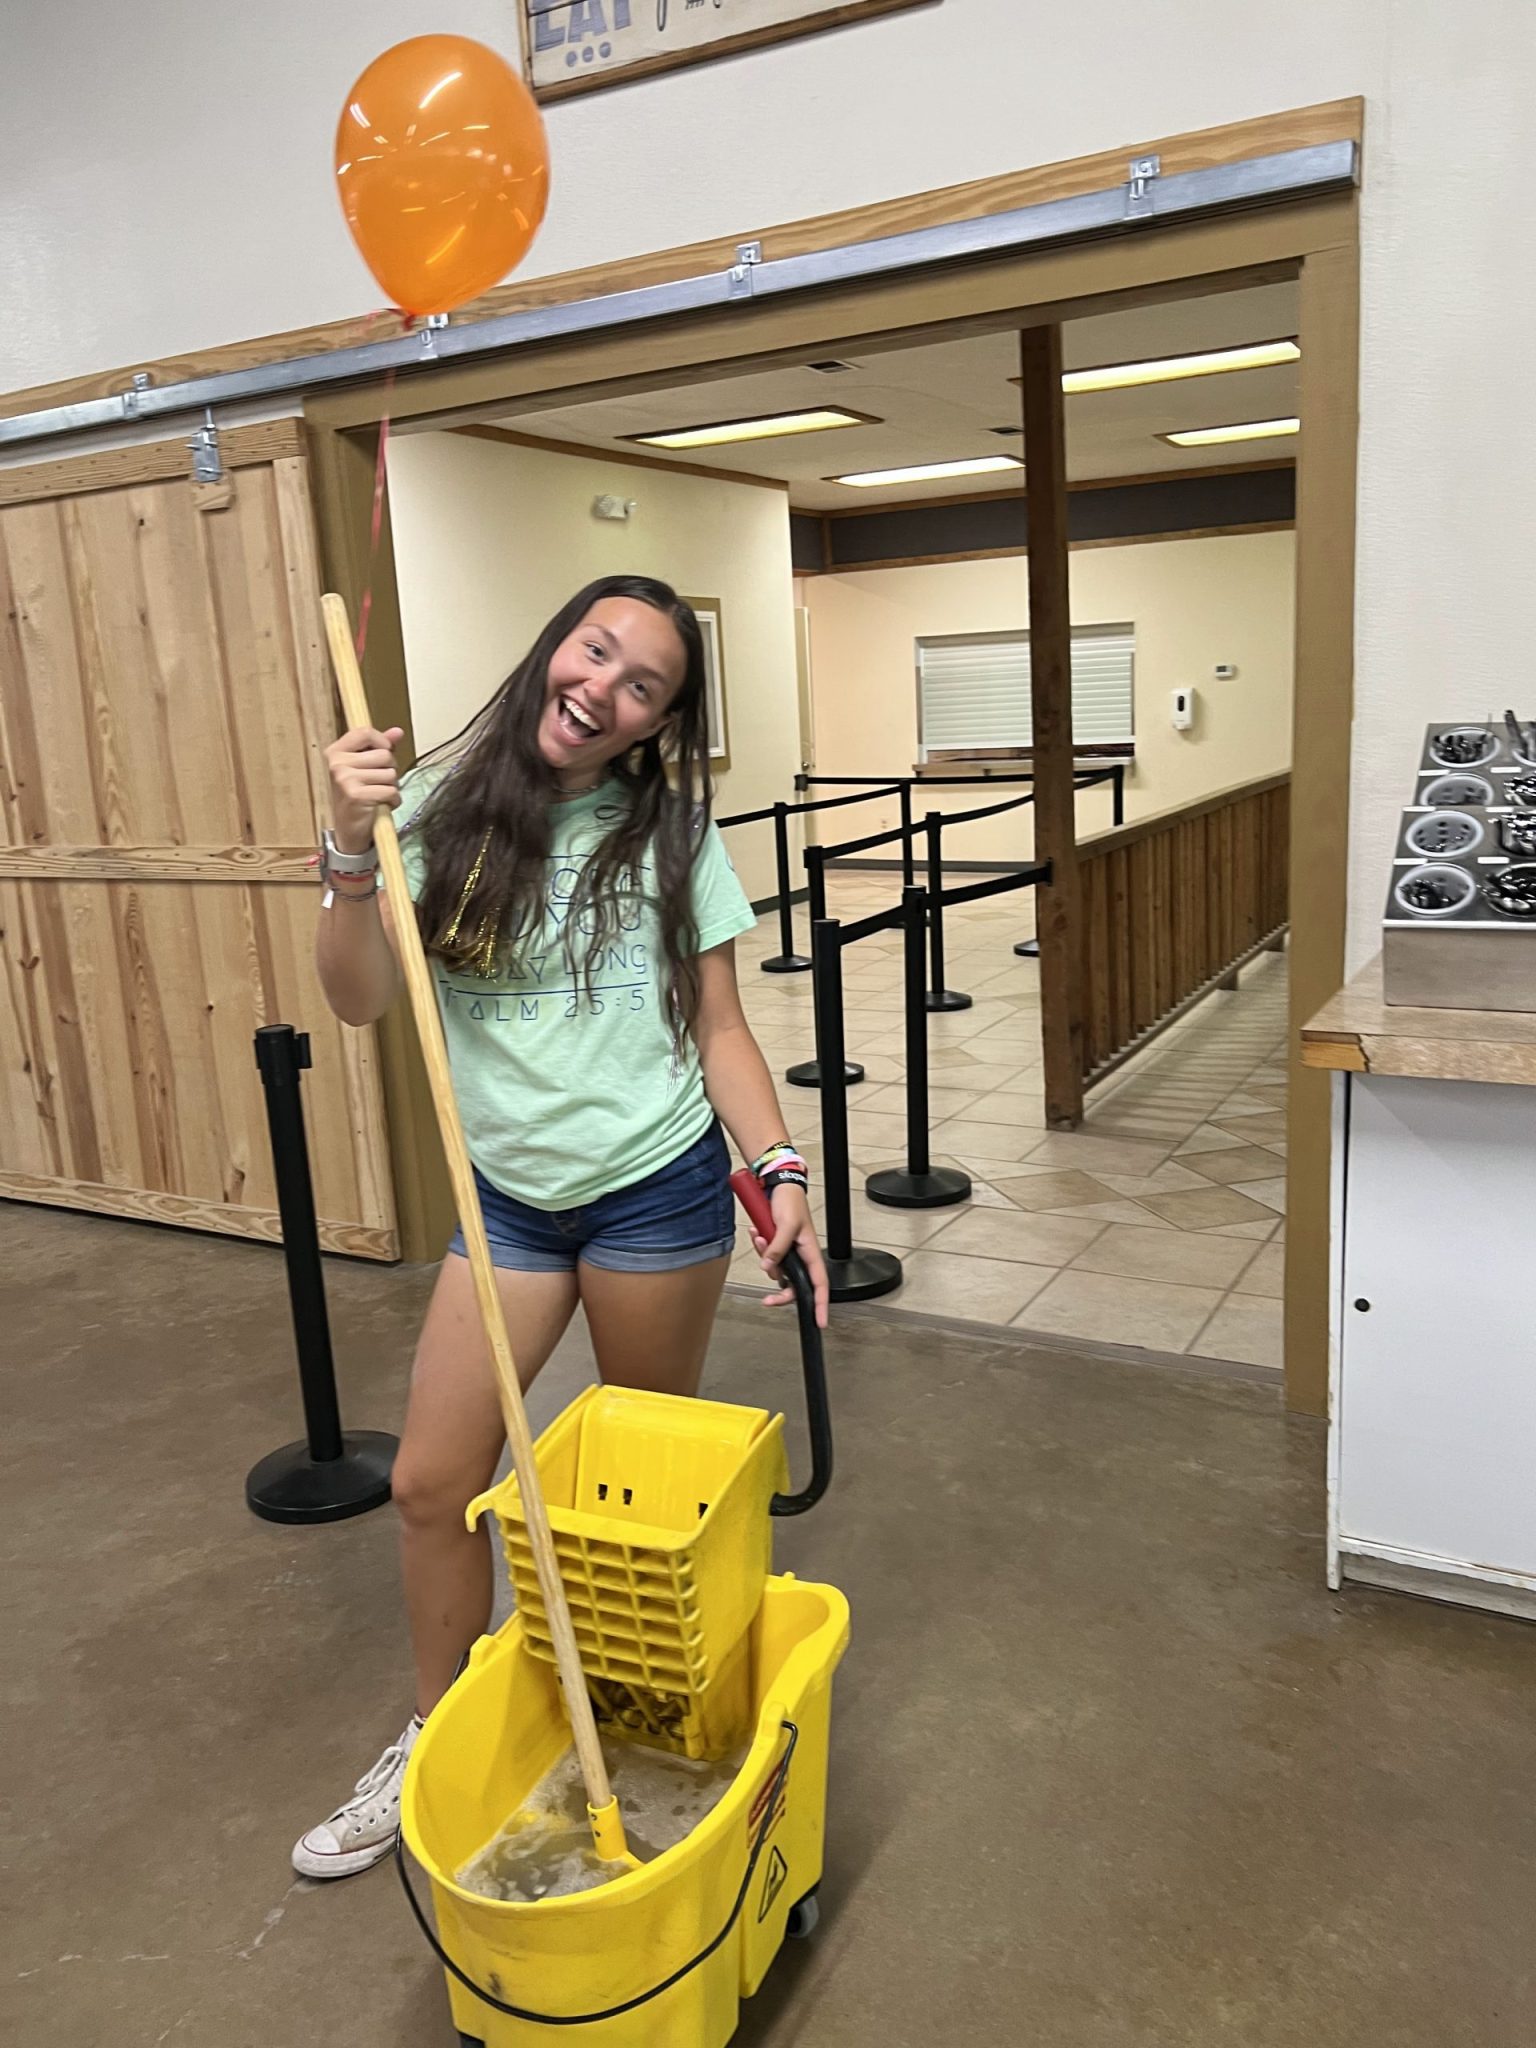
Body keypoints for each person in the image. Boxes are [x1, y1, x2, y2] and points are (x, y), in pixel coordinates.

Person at [291, 575, 828, 1879]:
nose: (604, 690)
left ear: (660, 723)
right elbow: (358, 999)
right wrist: (351, 847)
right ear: (554, 650)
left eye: (644, 686)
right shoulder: (427, 806)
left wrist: (780, 1165)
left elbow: (719, 1025)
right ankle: (437, 1738)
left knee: (627, 1511)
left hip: (657, 1191)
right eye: (595, 652)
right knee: (431, 1486)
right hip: (507, 1205)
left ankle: (635, 1736)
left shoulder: (671, 833)